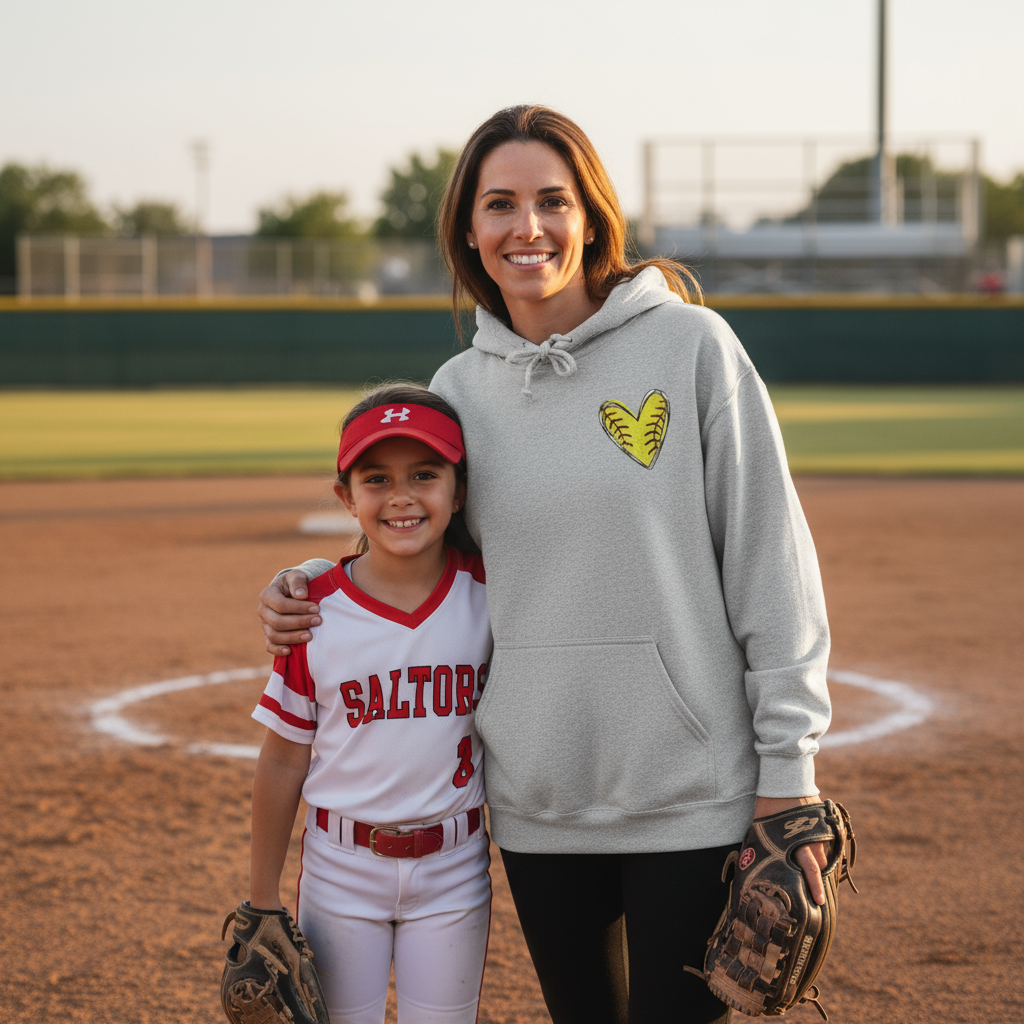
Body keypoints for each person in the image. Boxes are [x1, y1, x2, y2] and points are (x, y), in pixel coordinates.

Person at [260, 105, 832, 1024]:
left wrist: (789, 772)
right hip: (539, 799)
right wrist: (306, 585)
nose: (527, 227)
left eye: (552, 201)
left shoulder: (692, 346)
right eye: (500, 205)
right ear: (470, 232)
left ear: (592, 216)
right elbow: (418, 554)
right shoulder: (458, 392)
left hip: (691, 788)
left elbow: (771, 560)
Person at [249, 383, 493, 1024]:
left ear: (458, 490)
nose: (402, 496)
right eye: (376, 479)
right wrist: (261, 899)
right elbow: (281, 762)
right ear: (346, 498)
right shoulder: (313, 611)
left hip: (454, 866)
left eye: (425, 474)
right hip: (340, 868)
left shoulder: (491, 593)